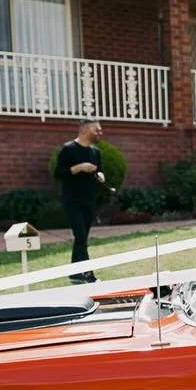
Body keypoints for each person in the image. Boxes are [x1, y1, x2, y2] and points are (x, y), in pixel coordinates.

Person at [53, 119, 113, 283]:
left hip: (88, 200)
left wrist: (101, 176)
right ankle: (88, 274)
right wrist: (78, 168)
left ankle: (74, 273)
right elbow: (58, 173)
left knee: (82, 238)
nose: (100, 133)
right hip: (71, 200)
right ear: (85, 130)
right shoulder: (68, 149)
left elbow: (99, 171)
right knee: (80, 235)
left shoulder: (95, 152)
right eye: (97, 130)